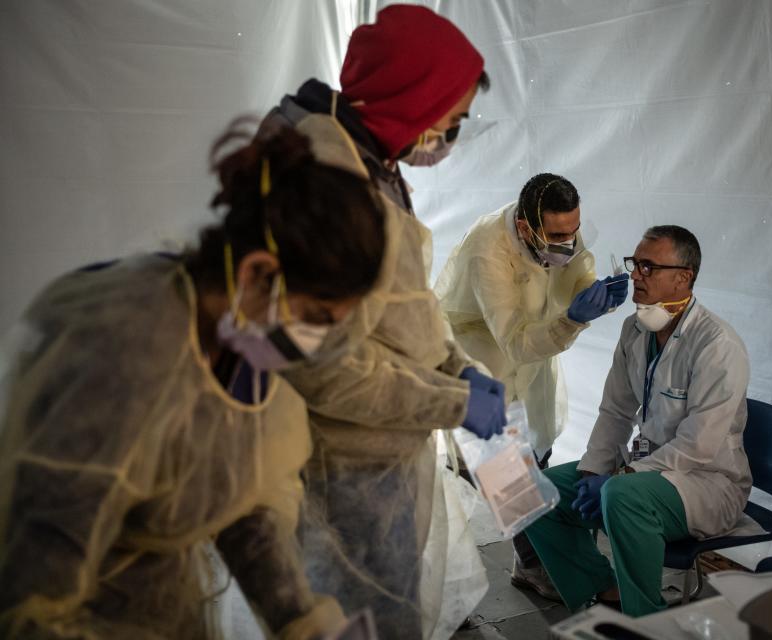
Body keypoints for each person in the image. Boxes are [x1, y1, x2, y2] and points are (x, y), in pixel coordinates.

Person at [0, 118, 387, 639]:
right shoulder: (120, 357)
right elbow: (33, 595)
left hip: (165, 605)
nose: (314, 344)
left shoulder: (241, 335)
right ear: (257, 273)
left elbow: (236, 496)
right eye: (316, 317)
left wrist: (297, 616)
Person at [258, 6, 504, 639]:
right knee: (364, 622)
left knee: (388, 609)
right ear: (411, 98)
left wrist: (459, 367)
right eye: (449, 121)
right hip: (344, 465)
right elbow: (325, 368)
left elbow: (401, 303)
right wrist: (453, 401)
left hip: (382, 451)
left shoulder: (373, 163)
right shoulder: (324, 189)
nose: (449, 138)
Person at [521, 225, 752, 617]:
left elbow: (699, 445)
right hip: (648, 471)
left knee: (621, 495)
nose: (635, 275)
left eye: (648, 267)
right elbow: (615, 410)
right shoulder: (636, 328)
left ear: (684, 277)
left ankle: (645, 619)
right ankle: (601, 591)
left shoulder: (717, 345)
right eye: (635, 264)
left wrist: (621, 477)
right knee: (534, 491)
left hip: (709, 482)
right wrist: (595, 470)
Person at [434, 173, 630, 596]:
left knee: (534, 453)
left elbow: (577, 270)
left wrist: (595, 292)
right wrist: (572, 319)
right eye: (557, 234)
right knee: (496, 469)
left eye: (573, 231)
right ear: (525, 227)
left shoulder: (558, 234)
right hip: (478, 353)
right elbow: (514, 340)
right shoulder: (488, 249)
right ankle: (456, 583)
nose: (568, 242)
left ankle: (531, 561)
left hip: (533, 351)